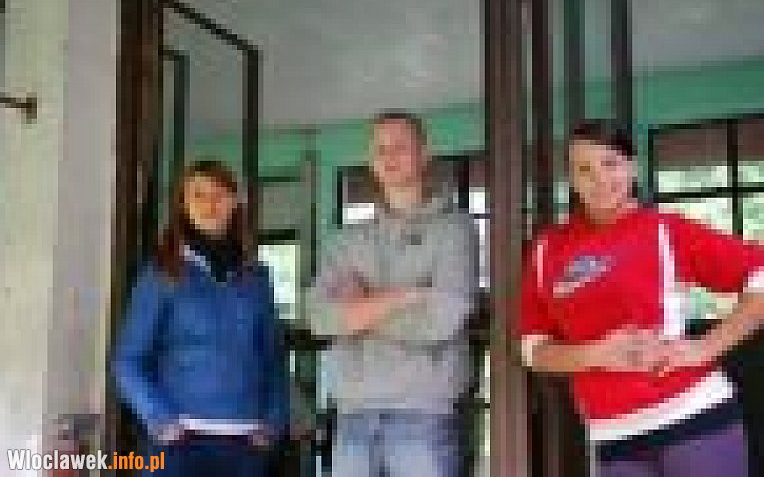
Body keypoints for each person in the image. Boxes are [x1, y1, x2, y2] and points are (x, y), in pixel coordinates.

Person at [519, 120, 764, 477]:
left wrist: (707, 346)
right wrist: (594, 354)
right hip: (612, 436)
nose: (600, 179)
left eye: (611, 163)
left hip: (693, 419)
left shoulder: (666, 230)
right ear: (571, 179)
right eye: (584, 169)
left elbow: (759, 273)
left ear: (632, 167)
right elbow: (532, 349)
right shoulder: (546, 251)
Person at [306, 110, 478, 477]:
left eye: (400, 146)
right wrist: (402, 298)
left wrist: (358, 310)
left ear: (424, 154)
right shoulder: (345, 241)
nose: (389, 156)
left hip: (424, 417)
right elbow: (319, 318)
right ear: (371, 161)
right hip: (351, 418)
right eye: (380, 149)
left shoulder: (455, 229)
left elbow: (442, 320)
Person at [112, 160, 290, 477]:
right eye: (198, 195)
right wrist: (159, 418)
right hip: (178, 444)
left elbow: (273, 357)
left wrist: (273, 421)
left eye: (219, 194)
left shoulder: (256, 278)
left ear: (235, 202)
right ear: (183, 205)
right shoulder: (162, 272)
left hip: (244, 445)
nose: (210, 204)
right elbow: (127, 360)